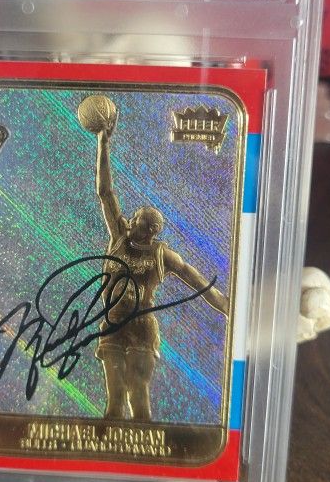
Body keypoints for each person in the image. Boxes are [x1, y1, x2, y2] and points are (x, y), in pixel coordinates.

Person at [93, 116, 229, 421]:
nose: (130, 220)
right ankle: (109, 446)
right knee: (115, 402)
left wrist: (225, 305)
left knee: (138, 398)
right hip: (114, 322)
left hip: (143, 327)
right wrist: (103, 142)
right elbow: (105, 192)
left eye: (137, 218)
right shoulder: (119, 236)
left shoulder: (162, 254)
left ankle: (143, 443)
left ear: (150, 229)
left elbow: (198, 281)